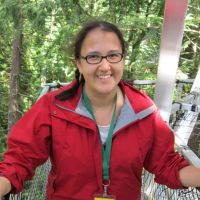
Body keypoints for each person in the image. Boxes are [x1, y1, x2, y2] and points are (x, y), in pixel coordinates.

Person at [0, 20, 200, 200]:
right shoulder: (53, 107)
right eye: (93, 57)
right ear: (78, 63)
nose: (105, 66)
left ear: (122, 59)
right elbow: (20, 159)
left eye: (113, 55)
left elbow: (166, 164)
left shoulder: (144, 112)